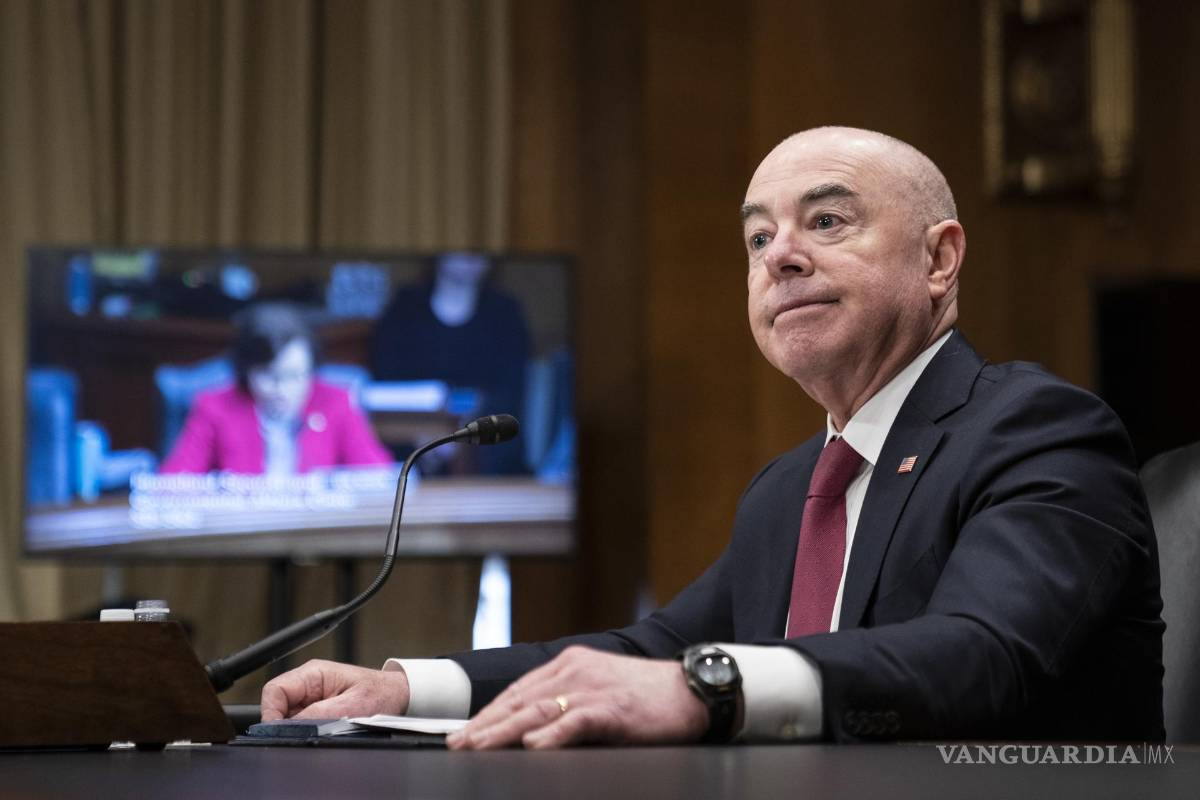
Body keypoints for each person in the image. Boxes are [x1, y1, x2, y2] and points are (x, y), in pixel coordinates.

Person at [260, 127, 1164, 747]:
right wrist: (406, 689)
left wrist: (709, 686)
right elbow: (650, 654)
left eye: (827, 220)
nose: (779, 255)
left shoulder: (1038, 430)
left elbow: (982, 656)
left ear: (938, 260)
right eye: (758, 237)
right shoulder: (790, 488)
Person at [161, 303, 392, 475]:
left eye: (294, 376)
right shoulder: (214, 407)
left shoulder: (336, 402)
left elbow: (379, 476)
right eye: (268, 375)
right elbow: (173, 483)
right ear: (246, 370)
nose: (281, 388)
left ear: (312, 370)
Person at [369, 251, 531, 475]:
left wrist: (460, 435)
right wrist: (423, 437)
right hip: (410, 443)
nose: (471, 254)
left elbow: (510, 394)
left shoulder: (506, 314)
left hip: (487, 451)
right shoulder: (402, 310)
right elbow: (388, 389)